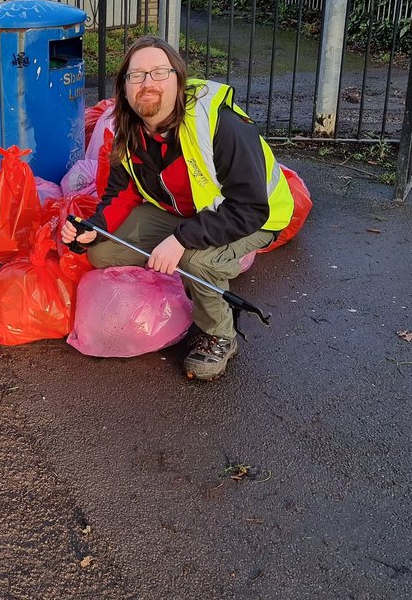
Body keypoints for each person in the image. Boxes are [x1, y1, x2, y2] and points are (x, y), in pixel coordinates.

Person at [61, 35, 294, 381]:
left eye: (159, 72)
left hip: (253, 215)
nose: (147, 83)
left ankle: (219, 332)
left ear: (179, 80)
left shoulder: (219, 123)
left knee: (196, 258)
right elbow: (120, 191)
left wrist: (182, 241)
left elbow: (250, 207)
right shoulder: (127, 126)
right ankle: (196, 277)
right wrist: (93, 227)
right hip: (184, 212)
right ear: (124, 88)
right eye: (136, 76)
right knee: (102, 251)